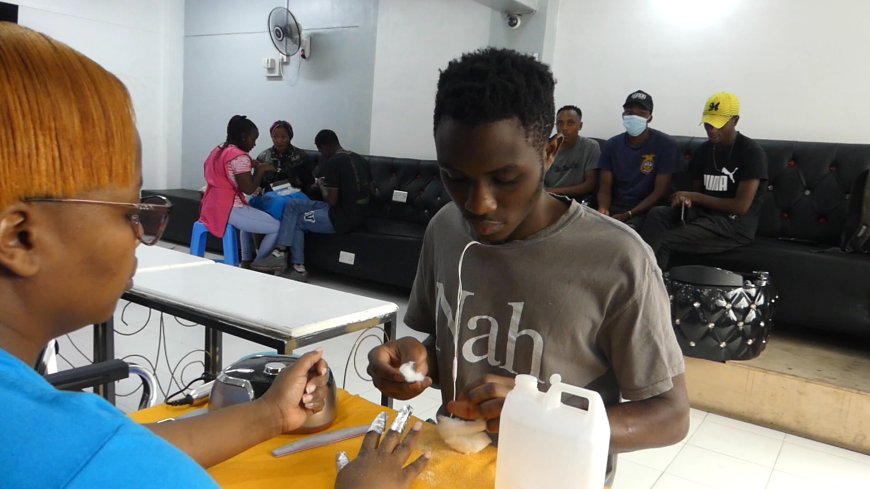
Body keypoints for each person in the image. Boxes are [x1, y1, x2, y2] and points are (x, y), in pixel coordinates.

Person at [0, 23, 422, 489]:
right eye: (128, 211)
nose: (141, 233)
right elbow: (107, 458)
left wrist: (268, 414)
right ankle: (281, 258)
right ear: (21, 238)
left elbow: (120, 448)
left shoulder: (59, 434)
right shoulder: (82, 462)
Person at [366, 47, 689, 485]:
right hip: (458, 470)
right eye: (456, 178)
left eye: (505, 178)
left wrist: (539, 417)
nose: (478, 204)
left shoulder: (618, 259)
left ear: (550, 152)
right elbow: (453, 348)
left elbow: (670, 416)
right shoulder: (446, 229)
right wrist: (420, 363)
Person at [640, 92, 768, 269]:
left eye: (718, 124)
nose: (712, 129)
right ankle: (640, 274)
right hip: (703, 216)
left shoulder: (751, 152)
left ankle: (649, 288)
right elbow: (696, 193)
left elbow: (741, 206)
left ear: (735, 121)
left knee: (664, 240)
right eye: (708, 123)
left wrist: (695, 197)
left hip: (733, 225)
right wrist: (686, 200)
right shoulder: (703, 151)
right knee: (657, 214)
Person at [276, 129, 372, 281]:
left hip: (341, 217)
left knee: (298, 221)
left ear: (326, 147)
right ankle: (280, 251)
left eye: (320, 150)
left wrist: (321, 186)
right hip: (360, 214)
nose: (321, 154)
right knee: (294, 205)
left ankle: (298, 267)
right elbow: (370, 189)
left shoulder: (334, 162)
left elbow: (331, 201)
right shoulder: (358, 158)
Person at [200, 115, 286, 272]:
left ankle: (246, 260)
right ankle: (259, 264)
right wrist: (259, 170)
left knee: (249, 220)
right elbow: (249, 189)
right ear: (243, 137)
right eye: (253, 139)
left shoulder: (220, 150)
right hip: (229, 208)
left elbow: (220, 171)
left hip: (211, 205)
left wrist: (248, 167)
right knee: (277, 227)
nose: (254, 144)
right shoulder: (240, 156)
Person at [597, 90, 680, 230]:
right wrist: (603, 209)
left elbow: (659, 191)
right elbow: (604, 187)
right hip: (616, 207)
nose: (634, 116)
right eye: (629, 112)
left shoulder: (666, 145)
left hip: (647, 210)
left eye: (641, 113)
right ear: (623, 115)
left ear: (650, 117)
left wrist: (629, 214)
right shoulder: (612, 145)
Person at [544, 105, 601, 203]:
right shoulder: (545, 148)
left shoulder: (590, 147)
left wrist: (552, 191)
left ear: (580, 125)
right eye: (560, 123)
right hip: (548, 200)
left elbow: (590, 185)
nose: (564, 128)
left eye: (570, 123)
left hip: (577, 201)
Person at [255, 120, 317, 198]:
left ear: (290, 137)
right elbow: (257, 184)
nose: (279, 140)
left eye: (283, 137)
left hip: (296, 198)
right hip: (271, 199)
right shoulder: (263, 156)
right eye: (275, 137)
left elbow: (309, 183)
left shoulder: (301, 156)